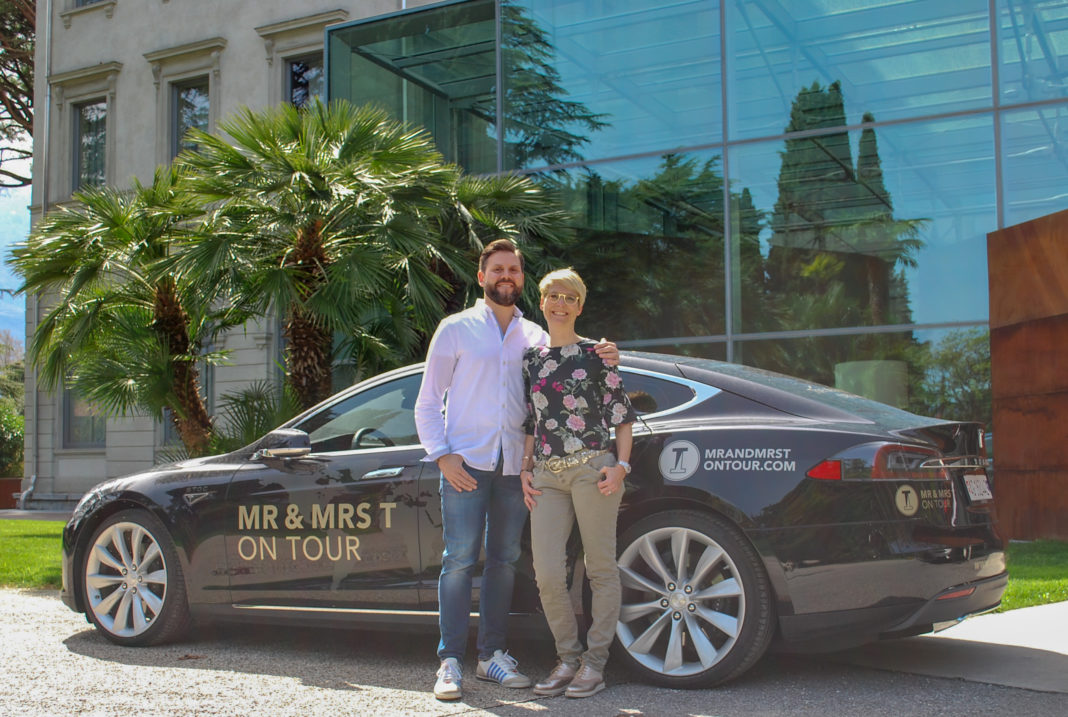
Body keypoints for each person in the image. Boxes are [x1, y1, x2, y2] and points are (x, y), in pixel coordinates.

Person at [414, 239, 619, 701]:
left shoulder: (537, 337)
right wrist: (442, 455)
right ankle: (450, 661)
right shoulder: (455, 329)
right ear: (482, 275)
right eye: (497, 269)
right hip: (465, 463)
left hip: (517, 469)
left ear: (522, 279)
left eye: (514, 270)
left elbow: (570, 376)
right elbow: (427, 401)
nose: (506, 276)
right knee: (460, 560)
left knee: (504, 561)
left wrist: (607, 355)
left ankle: (492, 657)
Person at [520, 267, 636, 699]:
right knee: (547, 571)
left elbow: (622, 416)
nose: (561, 303)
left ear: (580, 306)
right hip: (547, 477)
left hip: (594, 470)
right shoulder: (531, 360)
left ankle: (595, 664)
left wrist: (621, 466)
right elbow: (533, 420)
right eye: (554, 295)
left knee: (601, 569)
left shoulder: (596, 355)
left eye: (570, 297)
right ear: (543, 301)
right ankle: (567, 658)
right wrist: (525, 469)